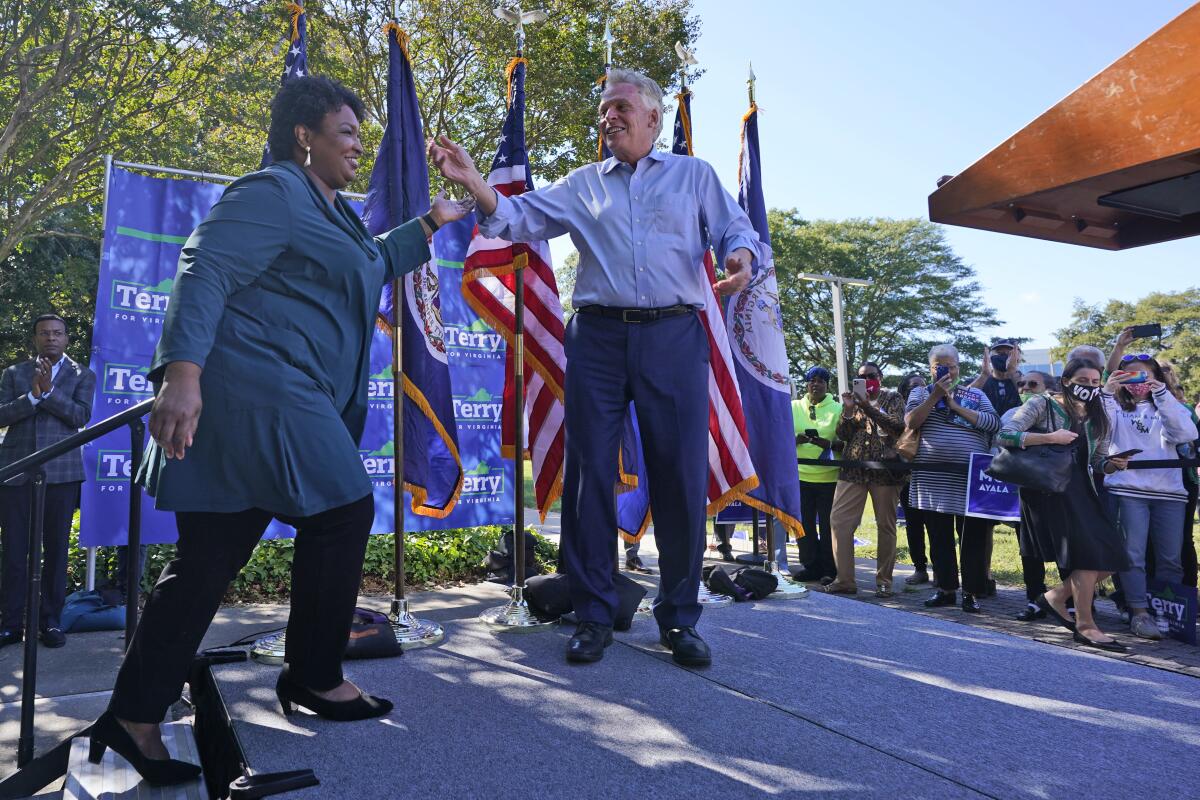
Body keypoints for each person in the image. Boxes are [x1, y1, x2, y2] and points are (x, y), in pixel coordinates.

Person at [90, 76, 472, 786]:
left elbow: (370, 264)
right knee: (344, 508)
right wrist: (181, 373)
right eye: (347, 132)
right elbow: (204, 268)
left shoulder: (333, 212)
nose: (359, 144)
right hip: (258, 395)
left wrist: (430, 223)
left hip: (272, 406)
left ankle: (134, 713)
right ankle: (315, 676)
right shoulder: (271, 192)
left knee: (207, 560)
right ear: (304, 136)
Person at [430, 68, 764, 668]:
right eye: (604, 108)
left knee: (679, 479)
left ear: (654, 119)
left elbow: (738, 228)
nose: (608, 117)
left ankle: (680, 620)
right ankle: (591, 615)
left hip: (673, 335)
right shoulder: (584, 183)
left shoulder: (695, 176)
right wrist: (476, 181)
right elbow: (516, 219)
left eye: (620, 107)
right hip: (599, 338)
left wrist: (738, 255)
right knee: (588, 481)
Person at [998, 358, 1131, 650]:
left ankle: (1055, 597)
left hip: (1084, 490)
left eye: (1096, 383)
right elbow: (1005, 434)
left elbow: (1098, 461)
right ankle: (1085, 626)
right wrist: (1050, 437)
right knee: (1085, 558)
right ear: (1067, 380)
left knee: (1112, 558)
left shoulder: (1098, 414)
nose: (1090, 387)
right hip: (1049, 491)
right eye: (1083, 381)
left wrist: (1113, 464)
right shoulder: (1041, 404)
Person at [0, 314, 95, 650]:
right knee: (14, 551)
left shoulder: (83, 374)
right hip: (16, 471)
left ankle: (50, 622)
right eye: (44, 333)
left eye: (57, 333)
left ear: (67, 338)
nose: (51, 338)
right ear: (35, 338)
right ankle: (10, 623)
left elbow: (81, 416)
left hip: (62, 474)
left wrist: (49, 393)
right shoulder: (13, 373)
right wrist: (31, 399)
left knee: (55, 550)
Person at [1101, 355, 1198, 639]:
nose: (1137, 382)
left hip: (1170, 492)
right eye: (1129, 376)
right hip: (1128, 489)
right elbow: (1101, 431)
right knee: (1133, 555)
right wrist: (1107, 391)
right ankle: (1139, 612)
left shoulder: (1168, 405)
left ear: (1155, 376)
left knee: (1171, 558)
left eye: (1143, 375)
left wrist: (1162, 393)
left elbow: (1185, 433)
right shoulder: (1116, 406)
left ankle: (1168, 613)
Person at [904, 344, 1000, 613]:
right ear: (931, 368)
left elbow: (994, 424)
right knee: (939, 538)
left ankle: (971, 593)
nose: (947, 371)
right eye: (940, 366)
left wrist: (957, 407)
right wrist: (935, 396)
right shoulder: (920, 392)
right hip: (932, 480)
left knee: (973, 540)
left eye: (952, 366)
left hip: (970, 480)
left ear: (959, 367)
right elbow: (911, 422)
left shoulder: (976, 394)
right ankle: (946, 590)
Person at [822, 362, 906, 596]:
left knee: (885, 526)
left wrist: (868, 408)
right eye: (861, 377)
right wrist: (848, 411)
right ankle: (845, 580)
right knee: (839, 522)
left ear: (880, 376)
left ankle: (884, 582)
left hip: (885, 473)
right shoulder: (854, 402)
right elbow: (843, 434)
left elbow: (897, 427)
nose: (867, 380)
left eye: (871, 376)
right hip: (854, 470)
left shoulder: (893, 398)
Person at [1002, 370, 1068, 622]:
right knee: (1029, 549)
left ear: (1049, 387)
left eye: (1032, 384)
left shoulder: (1066, 408)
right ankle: (1034, 600)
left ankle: (1070, 600)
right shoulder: (1013, 412)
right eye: (1020, 384)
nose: (1025, 388)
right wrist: (1048, 438)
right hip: (1031, 486)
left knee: (1066, 546)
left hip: (1065, 488)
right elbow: (1004, 437)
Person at [791, 366, 842, 583]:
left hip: (829, 477)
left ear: (827, 385)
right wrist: (797, 439)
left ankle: (830, 568)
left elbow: (846, 442)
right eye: (812, 380)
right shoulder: (793, 407)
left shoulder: (838, 408)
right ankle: (810, 566)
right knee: (804, 524)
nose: (816, 384)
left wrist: (828, 444)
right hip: (800, 476)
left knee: (829, 525)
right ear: (806, 383)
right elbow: (780, 436)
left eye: (821, 380)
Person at [897, 373, 930, 585]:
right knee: (914, 525)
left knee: (936, 527)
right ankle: (920, 568)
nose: (919, 391)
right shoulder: (899, 412)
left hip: (932, 478)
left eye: (923, 387)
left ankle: (945, 572)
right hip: (908, 477)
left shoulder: (934, 409)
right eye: (913, 388)